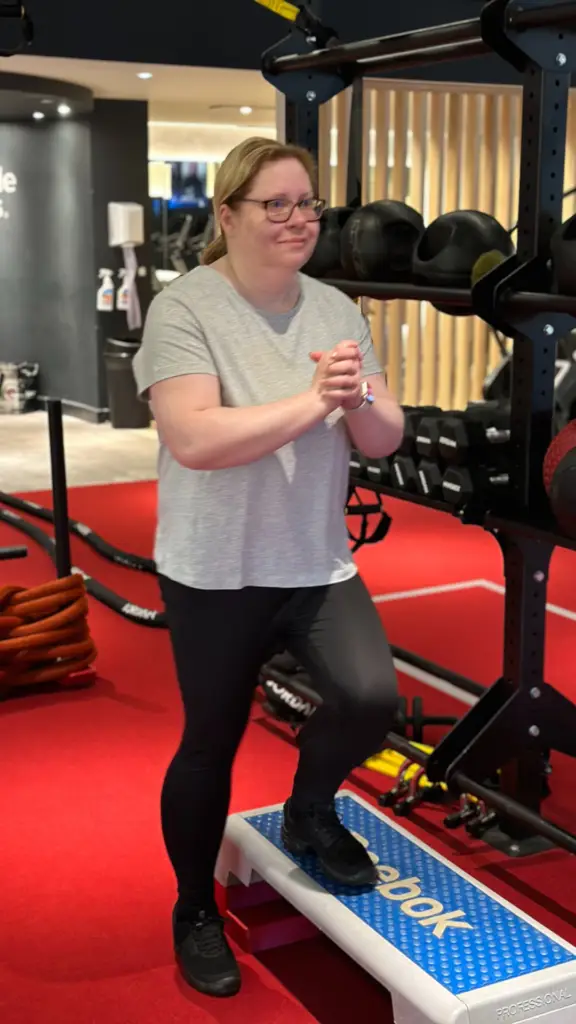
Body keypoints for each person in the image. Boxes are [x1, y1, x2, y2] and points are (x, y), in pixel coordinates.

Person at [132, 137, 405, 999]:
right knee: (210, 743)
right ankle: (193, 908)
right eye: (277, 204)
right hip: (214, 571)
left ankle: (308, 809)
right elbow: (196, 439)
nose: (299, 220)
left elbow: (384, 435)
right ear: (229, 214)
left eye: (309, 205)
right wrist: (312, 400)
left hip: (315, 561)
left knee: (368, 700)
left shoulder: (336, 309)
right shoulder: (186, 309)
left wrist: (359, 396)